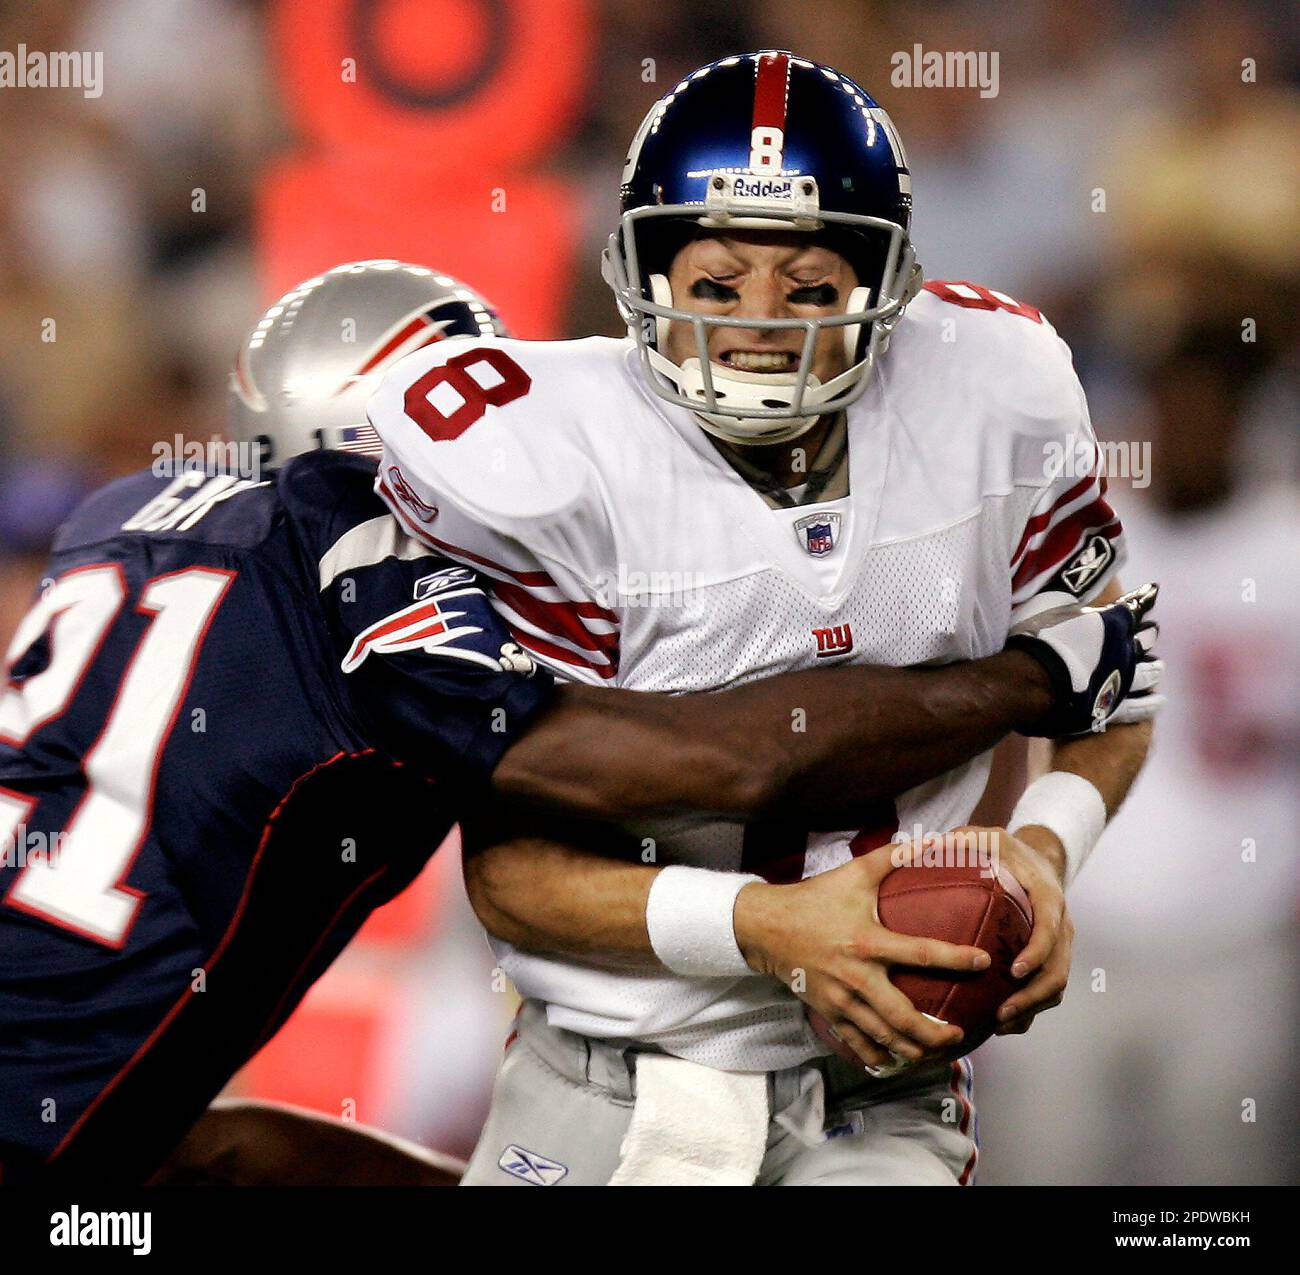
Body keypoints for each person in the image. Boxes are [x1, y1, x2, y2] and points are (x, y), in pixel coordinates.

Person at [0, 258, 1156, 1185]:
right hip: (47, 1127)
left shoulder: (127, 513)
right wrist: (1034, 678)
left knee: (210, 1158)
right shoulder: (379, 580)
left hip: (78, 1080)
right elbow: (710, 759)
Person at [366, 52, 1160, 1186]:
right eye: (719, 281)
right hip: (614, 1069)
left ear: (882, 286)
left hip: (878, 1087)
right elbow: (513, 877)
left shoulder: (992, 386)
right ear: (644, 269)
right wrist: (772, 926)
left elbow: (1122, 677)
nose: (758, 326)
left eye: (805, 287)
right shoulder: (551, 457)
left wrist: (1045, 846)